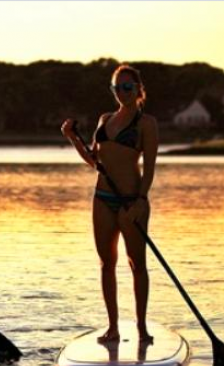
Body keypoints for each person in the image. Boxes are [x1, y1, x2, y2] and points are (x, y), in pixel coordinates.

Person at [61, 64, 159, 343]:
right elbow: (95, 161)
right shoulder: (105, 119)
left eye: (127, 87)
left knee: (137, 264)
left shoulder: (146, 123)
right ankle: (113, 327)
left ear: (138, 89)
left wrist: (140, 200)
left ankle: (141, 328)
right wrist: (72, 138)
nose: (122, 92)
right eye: (117, 88)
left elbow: (149, 168)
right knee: (107, 263)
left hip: (131, 202)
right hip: (103, 199)